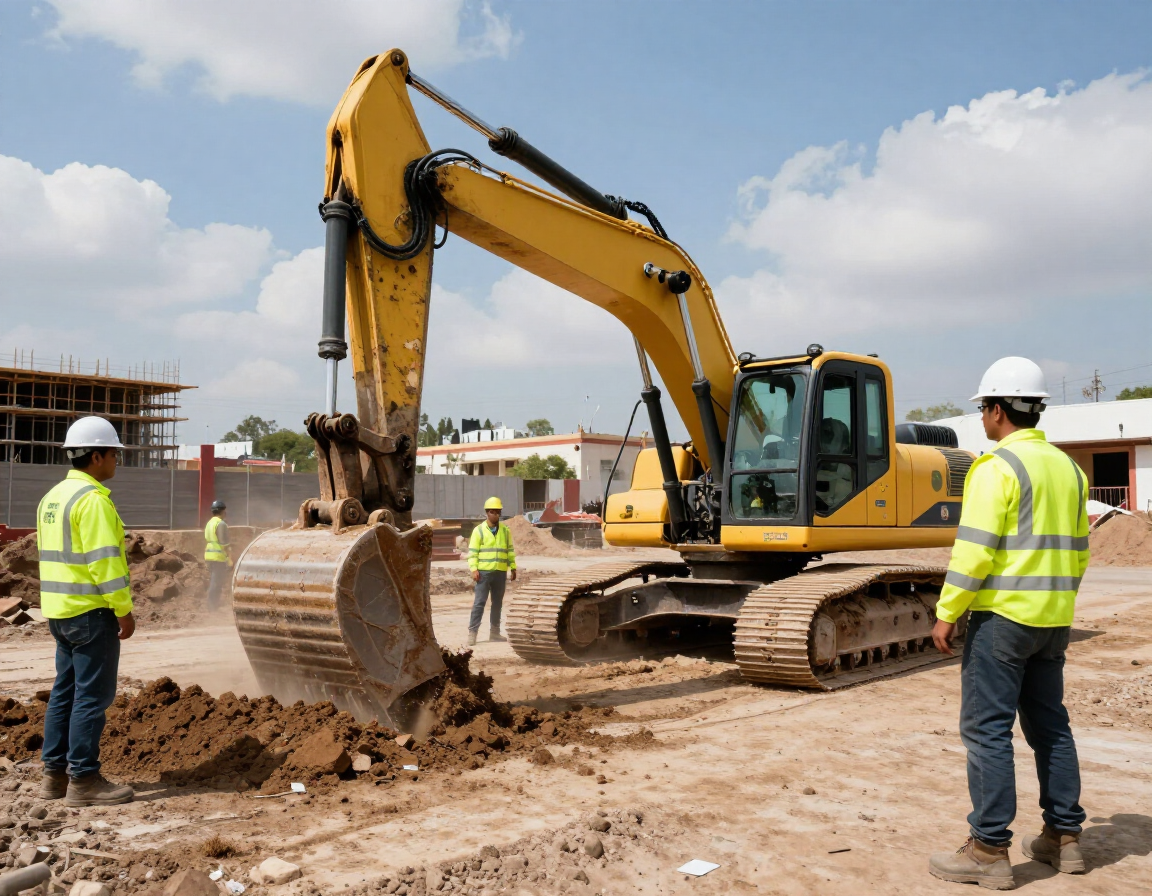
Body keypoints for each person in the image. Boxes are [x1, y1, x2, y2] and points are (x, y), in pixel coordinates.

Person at [928, 357, 1089, 889]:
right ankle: (1064, 839)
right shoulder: (1069, 469)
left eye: (983, 409)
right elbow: (1081, 553)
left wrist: (948, 612)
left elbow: (974, 553)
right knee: (1050, 726)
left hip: (1002, 620)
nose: (981, 419)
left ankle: (989, 849)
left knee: (987, 731)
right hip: (1053, 620)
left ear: (997, 409)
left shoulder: (997, 468)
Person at [38, 416, 135, 807]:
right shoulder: (92, 501)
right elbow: (105, 564)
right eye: (114, 454)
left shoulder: (54, 497)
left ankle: (53, 777)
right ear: (96, 456)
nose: (117, 461)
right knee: (91, 698)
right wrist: (123, 611)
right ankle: (84, 780)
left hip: (60, 613)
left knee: (65, 693)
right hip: (91, 613)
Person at [467, 496, 517, 646]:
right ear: (487, 513)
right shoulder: (479, 531)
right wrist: (474, 569)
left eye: (497, 512)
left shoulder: (505, 531)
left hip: (500, 572)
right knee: (479, 603)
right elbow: (473, 552)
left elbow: (509, 550)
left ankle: (494, 632)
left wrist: (513, 566)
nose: (495, 514)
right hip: (483, 573)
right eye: (492, 512)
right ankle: (472, 633)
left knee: (497, 603)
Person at [204, 500, 232, 610]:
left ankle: (213, 605)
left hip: (209, 555)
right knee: (216, 582)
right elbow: (223, 542)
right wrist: (229, 558)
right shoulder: (221, 524)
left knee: (215, 580)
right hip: (218, 557)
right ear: (222, 511)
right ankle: (212, 607)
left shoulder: (210, 522)